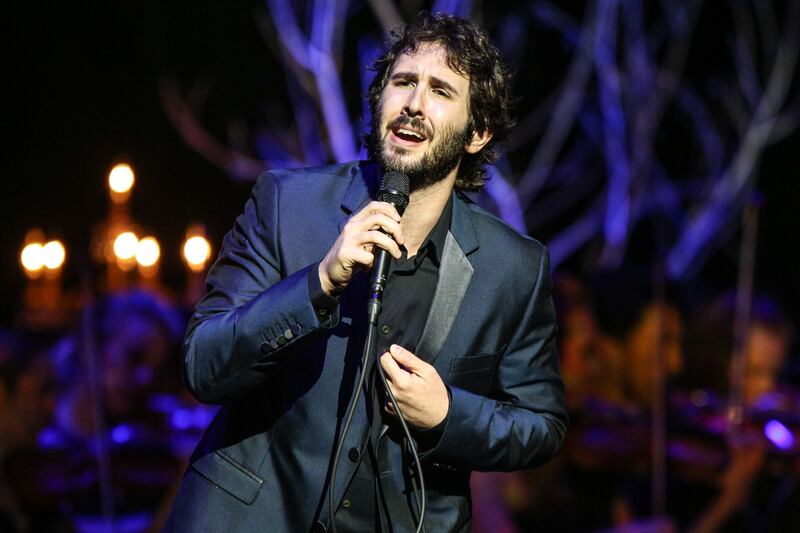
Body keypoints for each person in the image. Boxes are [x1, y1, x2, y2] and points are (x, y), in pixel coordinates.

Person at [166, 12, 567, 533]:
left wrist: (448, 414)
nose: (414, 104)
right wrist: (318, 284)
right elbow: (203, 364)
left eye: (441, 91)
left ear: (477, 133)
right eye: (403, 82)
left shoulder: (513, 266)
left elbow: (541, 424)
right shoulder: (287, 204)